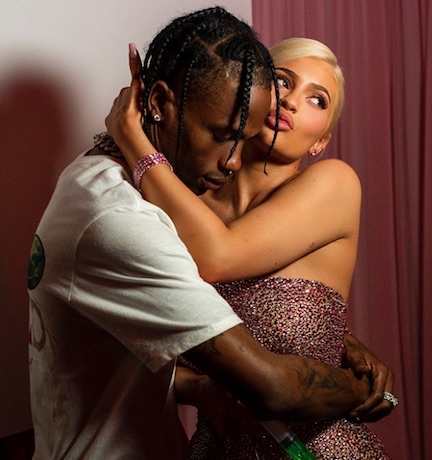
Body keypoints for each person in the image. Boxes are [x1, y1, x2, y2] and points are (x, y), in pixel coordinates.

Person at [27, 6, 390, 458]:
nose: (292, 102)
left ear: (322, 140)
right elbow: (215, 276)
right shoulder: (150, 212)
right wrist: (363, 390)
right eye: (283, 81)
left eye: (319, 100)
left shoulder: (330, 182)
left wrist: (337, 337)